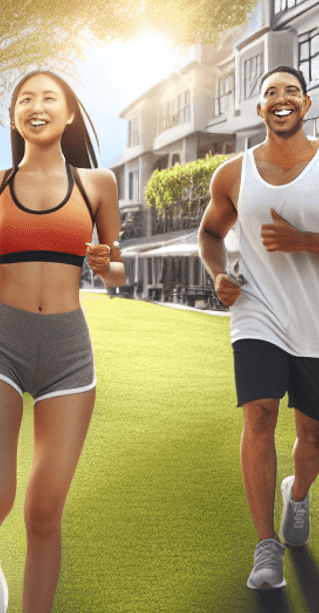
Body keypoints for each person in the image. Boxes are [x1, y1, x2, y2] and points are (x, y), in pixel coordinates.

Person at [0, 71, 123, 613]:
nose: (37, 105)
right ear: (13, 117)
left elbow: (118, 270)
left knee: (45, 512)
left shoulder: (99, 184)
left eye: (49, 97)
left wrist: (105, 262)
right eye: (25, 98)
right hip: (1, 345)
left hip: (69, 355)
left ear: (69, 114)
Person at [198, 65, 319, 590]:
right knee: (260, 416)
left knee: (312, 435)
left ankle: (298, 495)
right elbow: (209, 233)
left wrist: (305, 243)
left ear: (306, 105)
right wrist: (220, 274)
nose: (282, 99)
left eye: (292, 91)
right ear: (260, 109)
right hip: (257, 313)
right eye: (271, 92)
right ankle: (264, 545)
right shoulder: (231, 174)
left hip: (315, 320)